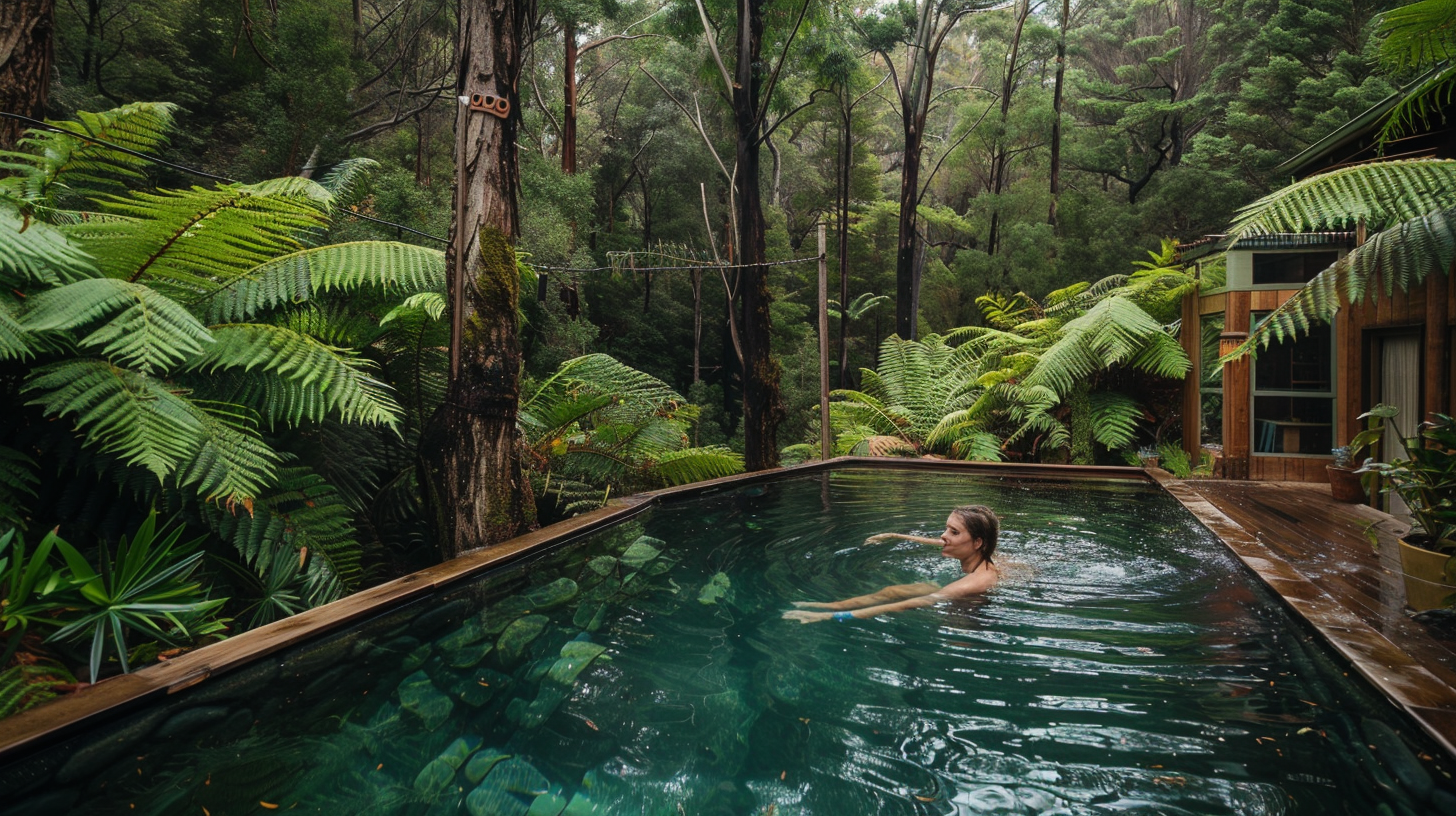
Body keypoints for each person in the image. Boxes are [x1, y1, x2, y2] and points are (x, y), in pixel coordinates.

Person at [782, 505, 1000, 624]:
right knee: (892, 590)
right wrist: (890, 535)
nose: (943, 536)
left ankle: (831, 611)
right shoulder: (974, 549)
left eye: (953, 532)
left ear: (977, 542)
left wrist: (828, 618)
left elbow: (903, 605)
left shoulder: (969, 584)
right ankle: (831, 604)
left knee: (952, 626)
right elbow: (933, 540)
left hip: (976, 604)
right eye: (946, 528)